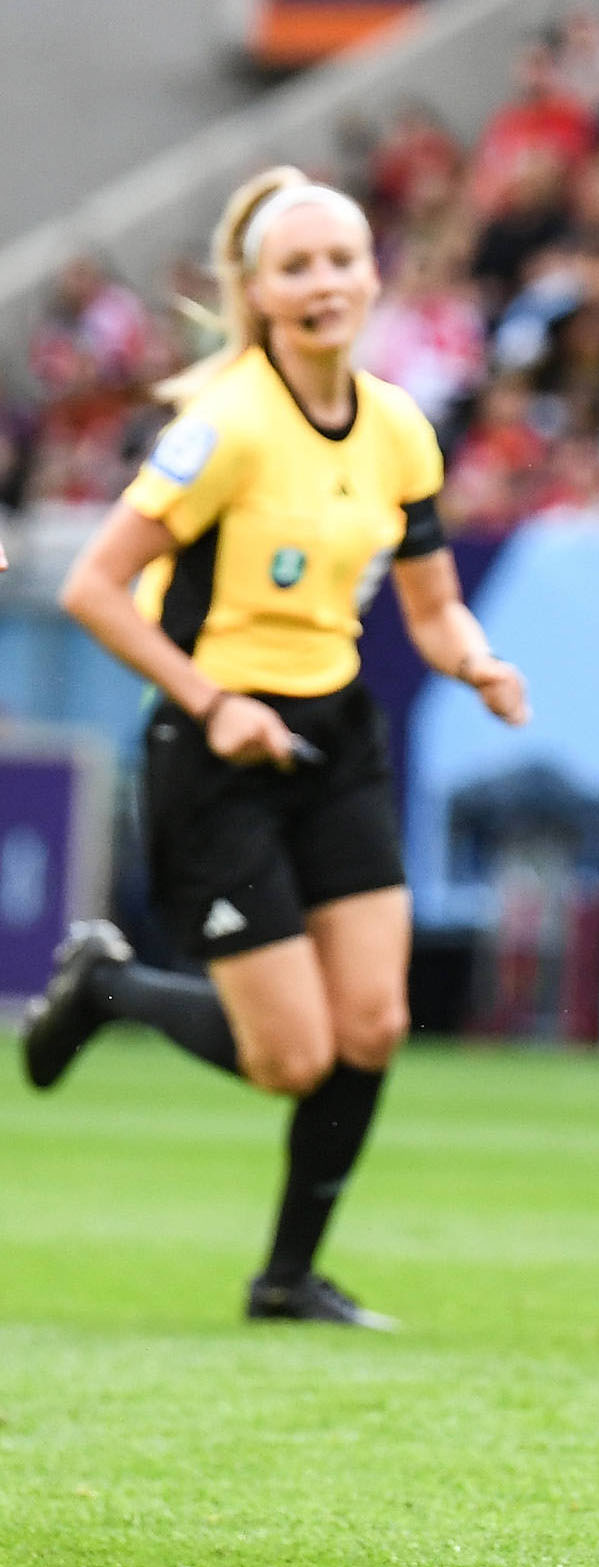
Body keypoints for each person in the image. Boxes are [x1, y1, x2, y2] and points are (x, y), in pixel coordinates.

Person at [18, 170, 526, 1329]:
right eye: (295, 267)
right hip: (216, 746)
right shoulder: (227, 426)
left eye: (340, 260)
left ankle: (288, 1276)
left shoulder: (398, 424)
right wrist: (213, 704)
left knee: (375, 1023)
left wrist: (476, 660)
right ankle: (106, 985)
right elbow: (98, 589)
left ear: (371, 274)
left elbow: (434, 605)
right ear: (254, 291)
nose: (323, 283)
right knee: (292, 1056)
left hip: (334, 732)